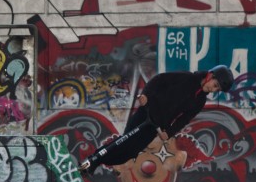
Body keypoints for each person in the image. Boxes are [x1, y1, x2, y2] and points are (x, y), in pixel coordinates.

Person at [80, 65, 234, 172]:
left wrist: (169, 132)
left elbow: (184, 119)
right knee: (124, 142)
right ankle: (92, 160)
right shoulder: (186, 78)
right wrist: (146, 94)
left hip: (156, 126)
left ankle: (97, 161)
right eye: (215, 84)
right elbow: (159, 80)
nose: (213, 89)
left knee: (129, 153)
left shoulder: (200, 100)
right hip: (145, 113)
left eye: (217, 89)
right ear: (210, 75)